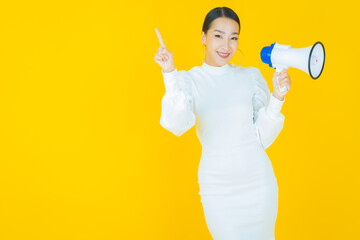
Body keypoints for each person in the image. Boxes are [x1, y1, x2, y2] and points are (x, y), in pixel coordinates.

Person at [154, 6, 291, 240]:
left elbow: (263, 138)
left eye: (233, 38)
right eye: (218, 36)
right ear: (204, 37)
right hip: (218, 188)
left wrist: (278, 97)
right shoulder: (189, 79)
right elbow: (176, 124)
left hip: (259, 184)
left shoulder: (251, 76)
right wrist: (169, 74)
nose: (226, 46)